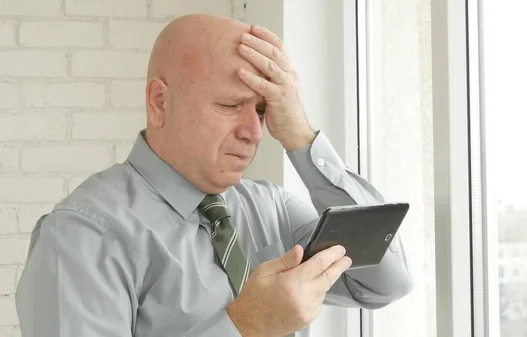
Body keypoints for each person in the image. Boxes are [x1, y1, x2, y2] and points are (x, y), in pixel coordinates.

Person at [15, 13, 413, 337]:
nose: (255, 132)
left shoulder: (271, 208)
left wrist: (300, 137)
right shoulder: (81, 237)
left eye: (261, 111)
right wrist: (246, 327)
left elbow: (385, 283)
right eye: (229, 105)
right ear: (159, 102)